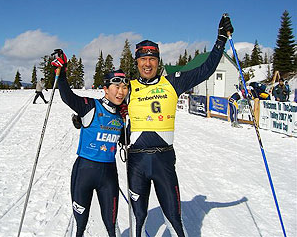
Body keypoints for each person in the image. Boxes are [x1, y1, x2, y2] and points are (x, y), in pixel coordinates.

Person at [123, 15, 234, 236]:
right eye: (143, 59)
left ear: (158, 61)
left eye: (152, 59)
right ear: (136, 62)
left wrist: (220, 39)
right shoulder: (127, 87)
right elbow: (105, 110)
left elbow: (206, 69)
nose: (147, 63)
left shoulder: (173, 82)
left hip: (164, 160)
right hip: (136, 162)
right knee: (138, 220)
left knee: (174, 219)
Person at [51, 49, 129, 237]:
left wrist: (129, 125)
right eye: (116, 87)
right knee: (80, 226)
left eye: (125, 87)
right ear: (106, 88)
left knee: (111, 226)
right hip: (84, 171)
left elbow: (124, 140)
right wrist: (62, 73)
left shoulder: (122, 114)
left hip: (109, 175)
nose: (121, 92)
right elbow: (67, 97)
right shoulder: (90, 106)